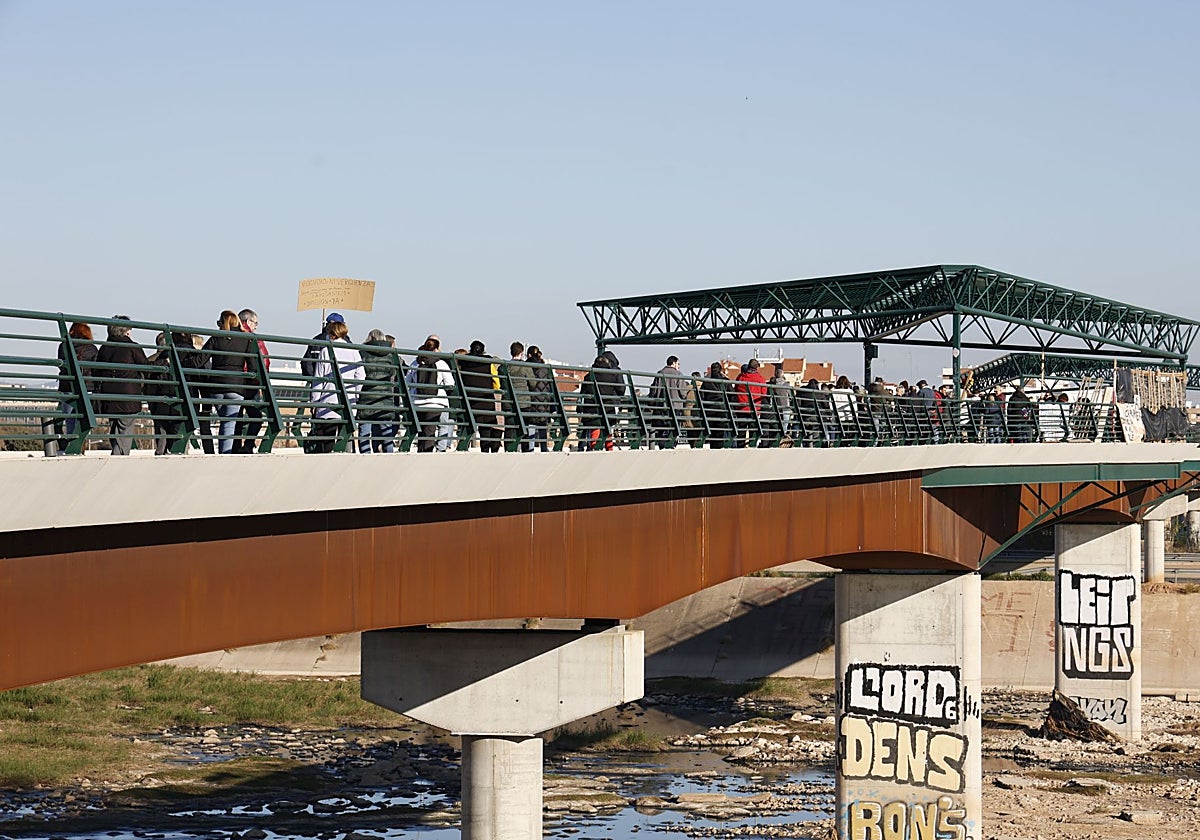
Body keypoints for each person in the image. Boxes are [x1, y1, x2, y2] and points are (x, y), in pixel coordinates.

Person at [202, 310, 260, 454]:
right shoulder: (246, 339)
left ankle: (223, 454)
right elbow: (253, 367)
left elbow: (200, 359)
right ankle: (225, 455)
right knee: (229, 424)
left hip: (216, 387)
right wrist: (251, 387)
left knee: (224, 421)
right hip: (236, 387)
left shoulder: (216, 338)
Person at [306, 316, 363, 452]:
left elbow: (319, 378)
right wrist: (356, 395)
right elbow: (361, 376)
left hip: (328, 402)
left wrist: (315, 402)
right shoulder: (354, 351)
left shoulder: (326, 351)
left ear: (331, 334)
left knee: (326, 440)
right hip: (348, 401)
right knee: (346, 437)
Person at [94, 316, 149, 455]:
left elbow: (96, 370)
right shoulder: (131, 347)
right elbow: (146, 367)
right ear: (126, 331)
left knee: (114, 428)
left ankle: (116, 454)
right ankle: (119, 458)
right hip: (128, 395)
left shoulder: (104, 348)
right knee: (125, 429)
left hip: (108, 396)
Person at [144, 331, 205, 455]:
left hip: (163, 399)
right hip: (187, 400)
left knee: (162, 432)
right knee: (181, 434)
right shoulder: (195, 356)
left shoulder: (164, 355)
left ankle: (161, 456)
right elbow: (203, 378)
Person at [357, 328, 402, 453]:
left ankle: (365, 457)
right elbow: (393, 372)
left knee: (364, 430)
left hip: (367, 397)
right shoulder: (390, 354)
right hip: (385, 397)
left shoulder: (362, 352)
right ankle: (389, 457)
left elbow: (359, 373)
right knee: (386, 431)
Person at [55, 322, 97, 451]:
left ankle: (69, 447)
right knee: (84, 420)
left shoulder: (63, 346)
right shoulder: (92, 348)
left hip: (67, 386)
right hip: (86, 388)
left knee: (69, 419)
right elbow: (96, 368)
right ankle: (79, 447)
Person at [408, 336, 454, 453]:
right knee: (430, 432)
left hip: (417, 403)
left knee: (421, 432)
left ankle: (420, 454)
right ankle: (427, 456)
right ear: (436, 349)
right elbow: (450, 384)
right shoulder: (441, 363)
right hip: (436, 403)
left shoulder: (415, 363)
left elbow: (407, 382)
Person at [234, 308, 269, 454]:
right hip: (250, 382)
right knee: (255, 416)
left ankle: (234, 447)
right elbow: (264, 360)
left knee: (235, 417)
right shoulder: (253, 338)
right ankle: (248, 445)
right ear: (248, 321)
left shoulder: (229, 334)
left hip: (232, 382)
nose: (256, 326)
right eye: (255, 323)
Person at [459, 340, 502, 452]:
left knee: (468, 424)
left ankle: (462, 447)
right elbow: (496, 381)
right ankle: (485, 450)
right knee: (486, 426)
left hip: (469, 400)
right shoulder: (488, 361)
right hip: (485, 399)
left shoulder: (464, 361)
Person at [503, 341, 537, 452]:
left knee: (509, 428)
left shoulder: (505, 366)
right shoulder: (525, 366)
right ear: (521, 353)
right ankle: (525, 450)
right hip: (524, 402)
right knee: (524, 428)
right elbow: (533, 383)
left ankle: (508, 450)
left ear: (511, 352)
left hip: (508, 402)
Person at [648, 355, 688, 448]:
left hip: (660, 407)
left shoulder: (659, 373)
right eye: (678, 364)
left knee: (661, 430)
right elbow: (683, 393)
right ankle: (670, 446)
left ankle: (662, 446)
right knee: (673, 430)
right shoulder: (678, 374)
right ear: (673, 363)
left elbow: (654, 391)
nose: (679, 366)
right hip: (675, 406)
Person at [733, 359, 767, 447]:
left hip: (741, 407)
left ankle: (740, 447)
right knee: (753, 430)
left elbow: (736, 389)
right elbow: (764, 393)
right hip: (755, 408)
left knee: (741, 430)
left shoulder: (740, 377)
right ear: (757, 367)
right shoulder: (760, 379)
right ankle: (752, 446)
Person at [525, 345, 554, 452]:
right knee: (542, 423)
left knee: (531, 424)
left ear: (529, 355)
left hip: (531, 400)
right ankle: (544, 448)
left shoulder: (526, 366)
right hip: (544, 401)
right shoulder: (545, 368)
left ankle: (531, 448)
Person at [699, 361, 732, 448]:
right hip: (723, 411)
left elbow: (701, 396)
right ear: (720, 370)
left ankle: (714, 449)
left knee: (713, 434)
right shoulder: (725, 382)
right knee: (720, 433)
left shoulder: (706, 382)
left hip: (710, 411)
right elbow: (732, 395)